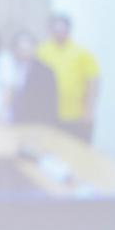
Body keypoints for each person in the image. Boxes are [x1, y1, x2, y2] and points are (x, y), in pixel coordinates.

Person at [36, 13, 100, 141]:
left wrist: (88, 111)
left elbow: (93, 81)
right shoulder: (41, 51)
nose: (59, 32)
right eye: (55, 28)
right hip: (50, 114)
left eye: (62, 28)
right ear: (50, 30)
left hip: (76, 114)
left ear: (68, 29)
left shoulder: (82, 52)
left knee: (78, 148)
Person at [8, 30, 59, 125]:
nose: (24, 52)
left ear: (34, 48)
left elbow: (50, 102)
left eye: (28, 48)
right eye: (21, 49)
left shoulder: (45, 71)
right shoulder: (11, 67)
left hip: (36, 122)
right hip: (15, 121)